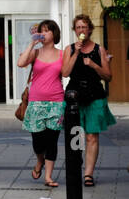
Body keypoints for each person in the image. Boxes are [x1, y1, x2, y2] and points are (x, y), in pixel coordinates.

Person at [61, 14, 115, 186]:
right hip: (74, 97)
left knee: (92, 136)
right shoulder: (69, 49)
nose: (81, 30)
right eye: (78, 27)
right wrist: (76, 52)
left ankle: (88, 174)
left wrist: (94, 65)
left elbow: (108, 76)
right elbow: (65, 73)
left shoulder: (99, 50)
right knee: (76, 134)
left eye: (84, 27)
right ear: (74, 30)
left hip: (94, 96)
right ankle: (76, 166)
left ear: (90, 29)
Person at [19, 20, 64, 188]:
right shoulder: (36, 53)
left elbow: (65, 72)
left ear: (54, 34)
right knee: (38, 141)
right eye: (41, 31)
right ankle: (40, 160)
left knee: (52, 141)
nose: (43, 34)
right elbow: (20, 63)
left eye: (47, 31)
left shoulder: (61, 54)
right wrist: (32, 43)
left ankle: (48, 177)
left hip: (56, 102)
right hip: (36, 102)